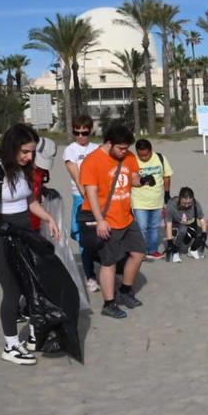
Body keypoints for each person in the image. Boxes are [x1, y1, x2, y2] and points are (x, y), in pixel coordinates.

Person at [0, 123, 62, 365]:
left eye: (32, 152)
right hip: (0, 238)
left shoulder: (24, 170)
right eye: (25, 151)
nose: (29, 157)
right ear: (11, 147)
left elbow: (30, 202)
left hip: (25, 235)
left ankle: (34, 335)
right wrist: (5, 227)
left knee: (32, 285)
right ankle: (11, 345)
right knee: (12, 290)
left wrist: (49, 218)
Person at [80, 124, 146, 319]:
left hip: (126, 217)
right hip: (106, 219)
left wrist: (142, 180)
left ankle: (125, 291)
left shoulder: (128, 157)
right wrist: (100, 221)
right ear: (109, 143)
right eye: (121, 148)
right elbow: (90, 193)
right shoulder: (92, 161)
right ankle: (109, 303)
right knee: (109, 261)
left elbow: (132, 177)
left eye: (127, 148)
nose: (125, 151)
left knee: (138, 253)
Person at [62, 114, 101, 292]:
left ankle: (104, 268)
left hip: (99, 197)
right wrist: (88, 198)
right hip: (81, 198)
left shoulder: (96, 148)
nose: (80, 136)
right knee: (83, 239)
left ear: (90, 131)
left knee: (102, 236)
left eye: (84, 133)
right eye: (76, 133)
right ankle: (90, 276)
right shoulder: (70, 150)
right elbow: (77, 178)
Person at [132, 139, 174, 260]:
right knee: (142, 227)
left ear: (151, 150)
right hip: (139, 201)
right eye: (141, 155)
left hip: (157, 200)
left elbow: (166, 176)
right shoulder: (132, 161)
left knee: (154, 227)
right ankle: (141, 251)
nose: (144, 158)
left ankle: (152, 250)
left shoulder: (160, 158)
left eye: (146, 155)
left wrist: (167, 193)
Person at [163, 187, 208, 261]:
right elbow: (169, 224)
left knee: (201, 232)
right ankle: (175, 250)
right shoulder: (171, 205)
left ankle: (192, 250)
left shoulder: (195, 204)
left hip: (188, 223)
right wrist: (170, 242)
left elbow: (202, 220)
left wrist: (204, 234)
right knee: (183, 229)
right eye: (184, 203)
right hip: (175, 225)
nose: (187, 205)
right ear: (179, 199)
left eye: (189, 203)